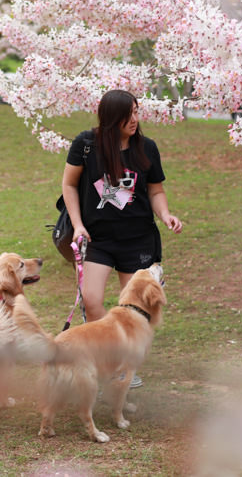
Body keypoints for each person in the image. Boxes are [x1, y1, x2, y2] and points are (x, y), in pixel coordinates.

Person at [61, 89, 183, 388]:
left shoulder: (147, 148)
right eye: (128, 114)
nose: (134, 119)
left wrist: (165, 214)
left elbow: (155, 190)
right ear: (110, 117)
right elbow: (69, 185)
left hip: (138, 239)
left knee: (136, 309)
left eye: (137, 111)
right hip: (98, 238)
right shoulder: (86, 145)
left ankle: (125, 366)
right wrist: (77, 225)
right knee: (91, 301)